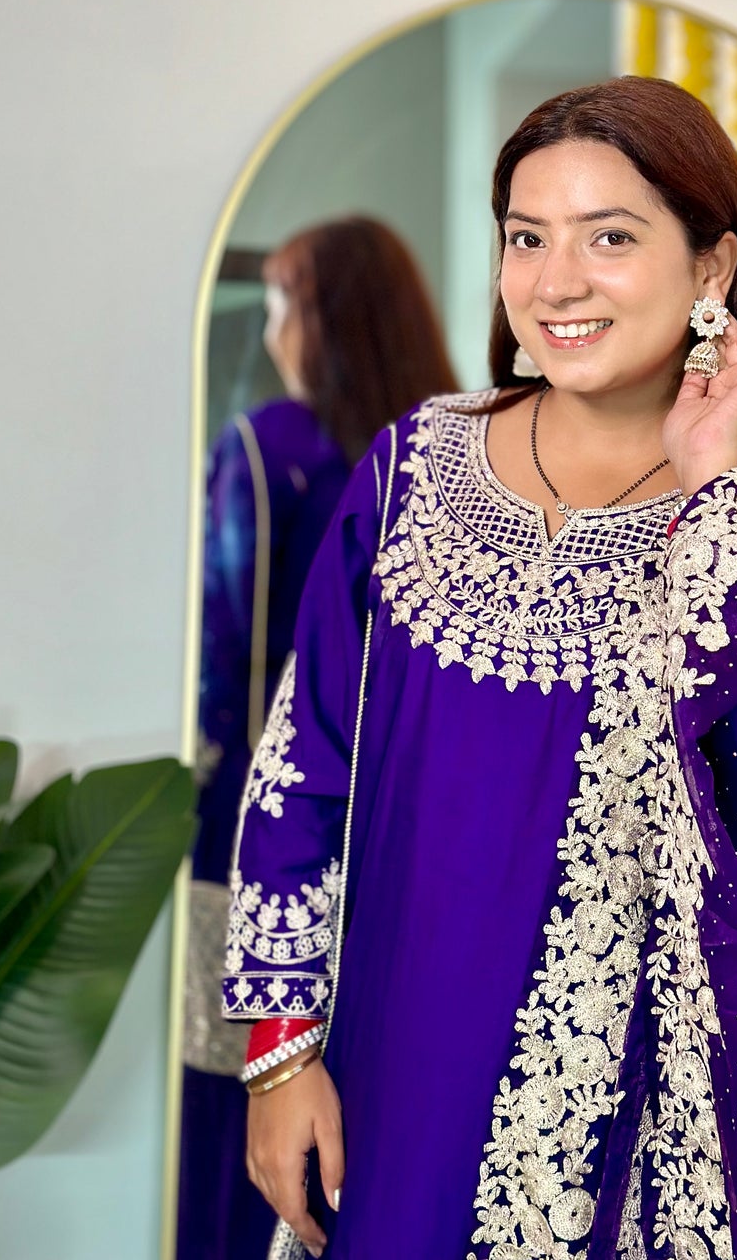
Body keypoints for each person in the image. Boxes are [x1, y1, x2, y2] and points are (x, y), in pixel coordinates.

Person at [223, 78, 737, 1260]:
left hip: (649, 1125)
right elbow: (302, 766)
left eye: (609, 236)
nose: (556, 281)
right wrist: (280, 1050)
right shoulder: (410, 474)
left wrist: (713, 485)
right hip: (388, 1081)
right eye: (525, 237)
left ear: (711, 269)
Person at [180, 216, 457, 1260]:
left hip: (273, 807)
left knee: (242, 1089)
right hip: (404, 825)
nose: (278, 329)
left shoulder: (266, 449)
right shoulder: (447, 461)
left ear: (327, 318)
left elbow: (226, 638)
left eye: (289, 302)